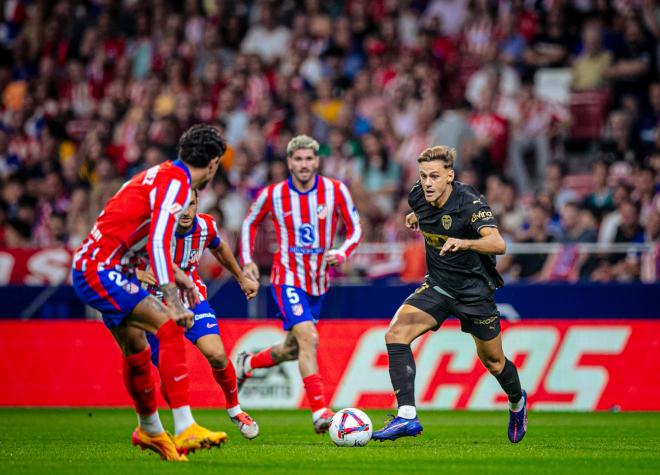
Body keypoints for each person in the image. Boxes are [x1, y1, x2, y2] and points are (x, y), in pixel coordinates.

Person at [71, 124, 227, 461]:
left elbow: (137, 232)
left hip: (102, 266)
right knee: (169, 327)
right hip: (102, 269)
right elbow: (159, 240)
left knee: (136, 348)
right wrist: (172, 298)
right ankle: (185, 426)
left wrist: (178, 274)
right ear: (213, 163)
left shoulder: (162, 175)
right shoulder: (178, 182)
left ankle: (151, 430)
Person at [372, 146, 527, 443]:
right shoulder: (417, 195)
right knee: (396, 334)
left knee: (494, 362)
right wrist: (414, 217)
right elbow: (428, 212)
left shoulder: (469, 202)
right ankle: (406, 416)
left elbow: (498, 243)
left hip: (475, 293)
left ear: (449, 176)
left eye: (434, 176)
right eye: (423, 176)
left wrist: (465, 242)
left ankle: (517, 403)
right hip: (439, 286)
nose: (427, 183)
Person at [237, 134, 362, 434]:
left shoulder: (335, 191)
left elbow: (356, 227)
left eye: (309, 159)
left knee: (294, 348)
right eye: (298, 159)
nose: (304, 164)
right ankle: (320, 410)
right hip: (287, 278)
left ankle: (248, 363)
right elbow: (249, 222)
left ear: (316, 161)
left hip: (318, 282)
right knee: (309, 337)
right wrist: (247, 260)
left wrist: (343, 251)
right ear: (289, 162)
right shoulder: (274, 194)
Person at [136, 189, 260, 439]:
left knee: (216, 354)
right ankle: (184, 424)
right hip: (154, 305)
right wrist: (139, 275)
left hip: (191, 298)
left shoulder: (205, 226)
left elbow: (220, 247)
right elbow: (117, 259)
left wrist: (240, 278)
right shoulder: (153, 229)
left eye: (191, 204)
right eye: (181, 205)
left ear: (197, 204)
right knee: (168, 373)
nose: (186, 211)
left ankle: (235, 409)